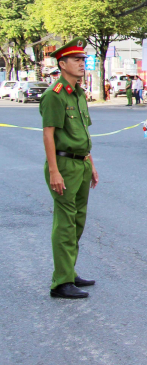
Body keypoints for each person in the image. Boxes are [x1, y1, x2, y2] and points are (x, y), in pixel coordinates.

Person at [39, 38, 99, 299]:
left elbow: (83, 132)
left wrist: (91, 164)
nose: (81, 64)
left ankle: (69, 271)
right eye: (76, 60)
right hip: (63, 165)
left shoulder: (79, 94)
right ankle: (60, 283)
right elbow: (48, 135)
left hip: (81, 163)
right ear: (62, 64)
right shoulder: (54, 95)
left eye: (83, 60)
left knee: (77, 222)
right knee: (65, 224)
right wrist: (54, 171)